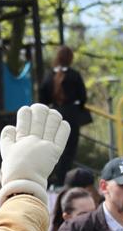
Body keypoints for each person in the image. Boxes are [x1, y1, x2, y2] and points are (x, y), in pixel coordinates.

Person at [39, 46, 90, 187]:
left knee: (53, 148)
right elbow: (83, 96)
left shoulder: (49, 76)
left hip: (54, 115)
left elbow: (42, 98)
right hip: (71, 115)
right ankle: (62, 182)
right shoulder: (75, 75)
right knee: (69, 150)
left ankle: (49, 180)